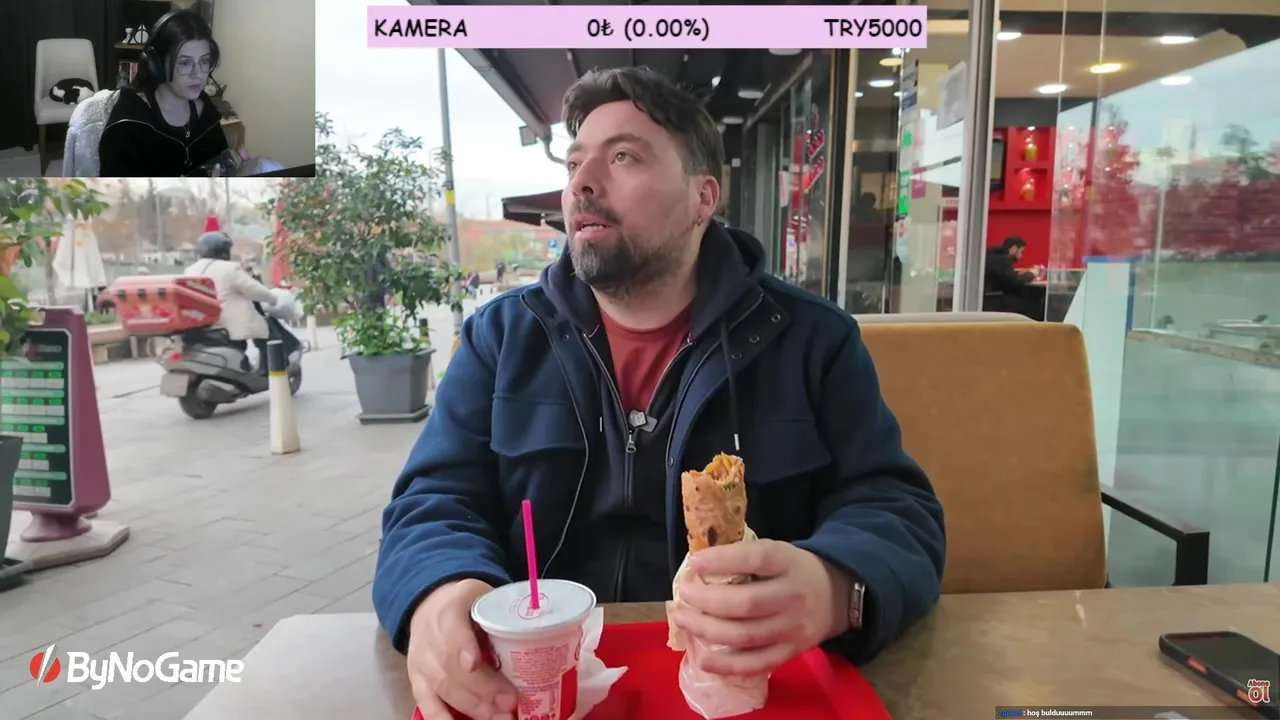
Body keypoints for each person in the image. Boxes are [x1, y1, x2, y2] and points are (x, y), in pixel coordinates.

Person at [373, 67, 946, 720]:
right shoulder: (501, 338)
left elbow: (896, 508)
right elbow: (432, 502)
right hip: (537, 687)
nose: (582, 184)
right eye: (575, 164)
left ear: (704, 197)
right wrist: (440, 590)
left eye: (623, 157)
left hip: (747, 690)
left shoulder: (813, 339)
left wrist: (836, 583)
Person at [99, 10, 229, 177]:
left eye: (204, 61)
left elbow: (221, 164)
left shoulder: (205, 110)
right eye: (185, 63)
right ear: (156, 64)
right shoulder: (129, 123)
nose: (198, 74)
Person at [184, 231, 277, 374]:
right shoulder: (229, 268)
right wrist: (273, 298)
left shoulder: (190, 270)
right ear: (224, 251)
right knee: (267, 336)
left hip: (204, 323)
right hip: (227, 324)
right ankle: (256, 371)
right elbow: (253, 289)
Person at [983, 236, 1039, 317]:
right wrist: (1031, 273)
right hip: (992, 301)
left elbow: (1004, 275)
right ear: (1014, 248)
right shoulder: (1002, 260)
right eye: (1021, 252)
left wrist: (1018, 273)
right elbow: (1015, 281)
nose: (1021, 256)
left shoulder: (993, 255)